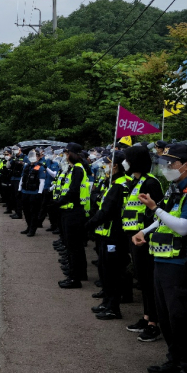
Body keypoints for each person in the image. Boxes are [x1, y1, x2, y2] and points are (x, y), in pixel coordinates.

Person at [134, 143, 187, 373]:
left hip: (180, 264)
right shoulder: (177, 188)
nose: (167, 167)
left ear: (186, 165)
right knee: (166, 316)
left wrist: (154, 207)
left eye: (172, 163)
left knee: (180, 318)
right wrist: (144, 231)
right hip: (162, 259)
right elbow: (163, 219)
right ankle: (174, 361)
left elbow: (183, 227)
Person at [121, 144, 163, 342]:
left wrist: (145, 234)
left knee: (147, 279)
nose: (125, 163)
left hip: (145, 240)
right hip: (135, 237)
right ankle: (147, 317)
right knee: (143, 279)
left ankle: (153, 323)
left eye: (127, 159)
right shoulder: (136, 181)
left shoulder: (150, 183)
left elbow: (157, 213)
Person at [85, 152, 131, 320]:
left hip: (114, 235)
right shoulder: (113, 183)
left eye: (108, 163)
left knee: (112, 273)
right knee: (105, 270)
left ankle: (113, 307)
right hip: (106, 234)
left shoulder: (119, 185)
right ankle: (107, 302)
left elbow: (106, 211)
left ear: (116, 166)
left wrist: (89, 224)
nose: (105, 166)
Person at [56, 142, 91, 289]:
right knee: (75, 246)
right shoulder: (74, 169)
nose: (65, 155)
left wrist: (58, 202)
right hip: (72, 211)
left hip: (74, 211)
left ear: (71, 154)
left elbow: (73, 191)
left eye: (66, 152)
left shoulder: (77, 170)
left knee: (73, 247)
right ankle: (80, 273)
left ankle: (74, 278)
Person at [19, 147, 46, 236]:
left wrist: (39, 193)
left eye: (35, 155)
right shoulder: (27, 166)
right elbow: (22, 178)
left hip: (34, 193)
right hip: (25, 191)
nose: (32, 157)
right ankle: (28, 226)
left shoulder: (40, 167)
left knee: (34, 212)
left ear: (38, 157)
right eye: (31, 155)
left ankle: (32, 229)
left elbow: (42, 181)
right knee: (26, 211)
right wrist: (19, 189)